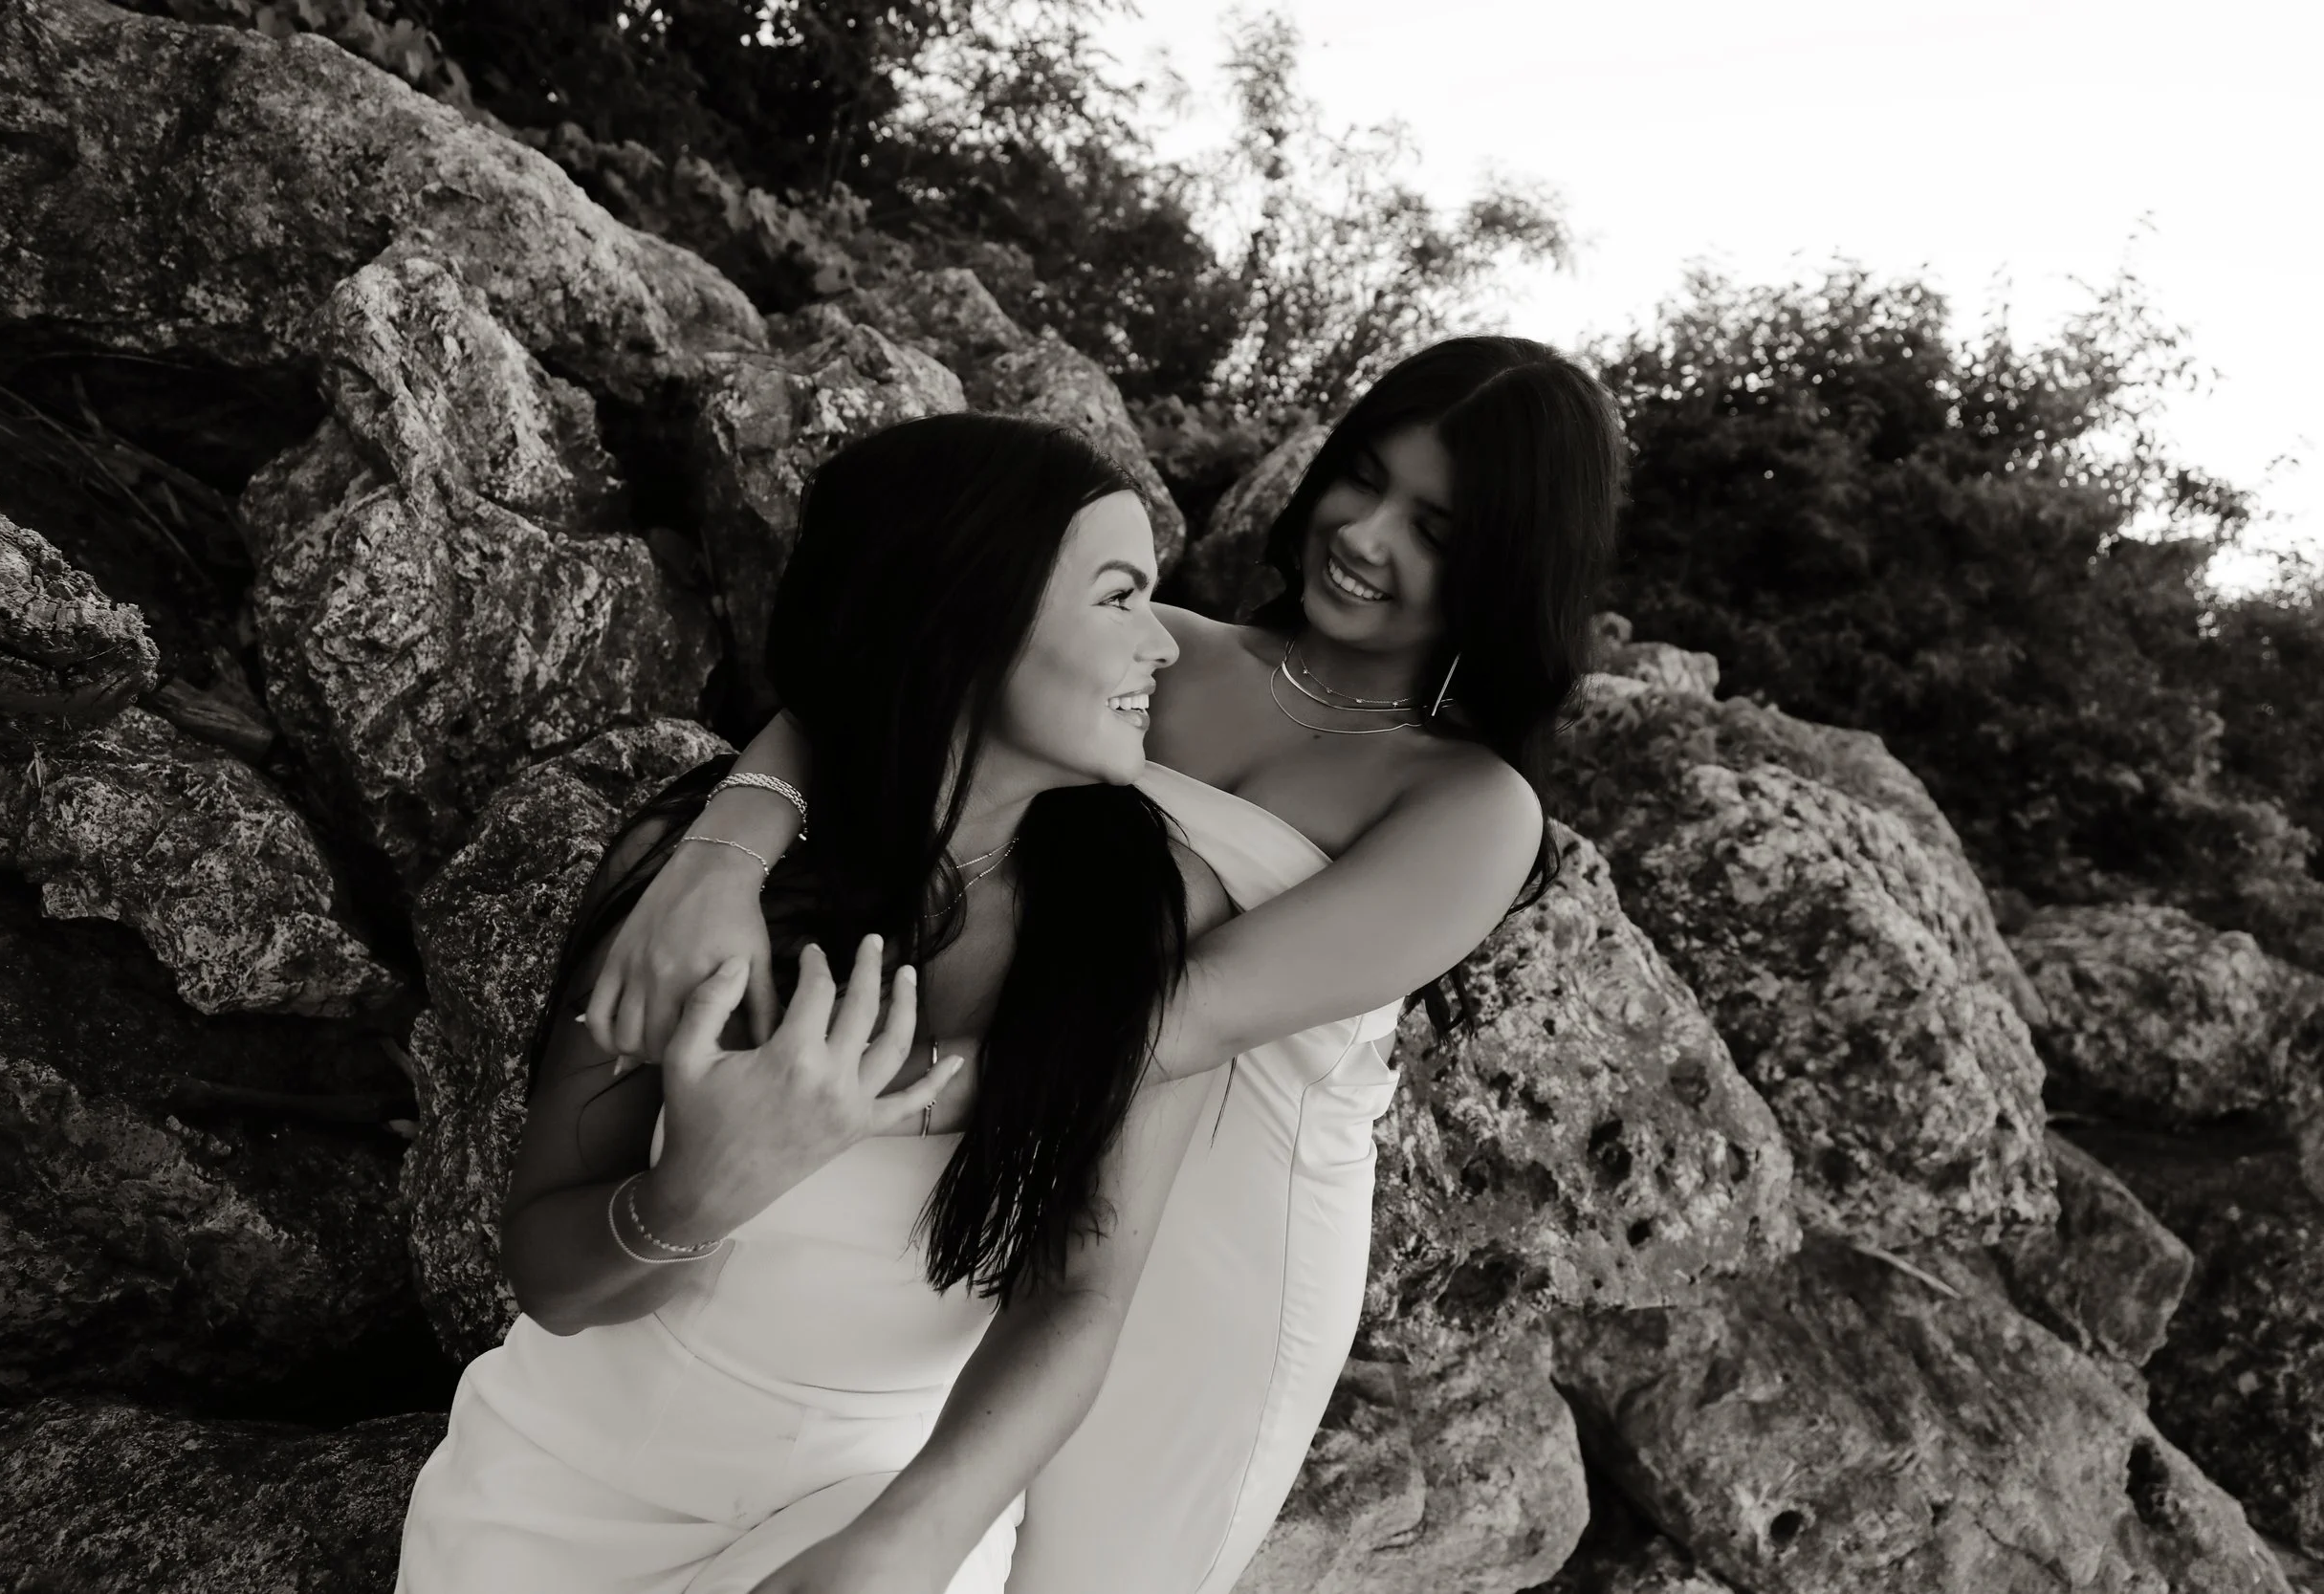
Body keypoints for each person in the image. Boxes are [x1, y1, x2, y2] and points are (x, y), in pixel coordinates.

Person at [588, 335, 1628, 1593]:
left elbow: (1165, 1022)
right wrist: (719, 854)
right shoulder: (1156, 638)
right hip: (1021, 1121)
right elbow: (894, 691)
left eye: (1437, 528)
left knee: (1100, 1562)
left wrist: (827, 1104)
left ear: (1510, 568)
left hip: (1219, 1206)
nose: (1364, 531)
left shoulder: (1470, 804)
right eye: (1360, 477)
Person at [394, 412, 1241, 1594]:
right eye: (1118, 598)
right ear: (966, 617)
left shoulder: (1141, 914)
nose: (1163, 644)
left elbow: (1084, 1287)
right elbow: (550, 1274)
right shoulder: (707, 886)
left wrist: (913, 1538)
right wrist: (692, 1195)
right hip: (577, 1485)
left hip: (882, 1489)